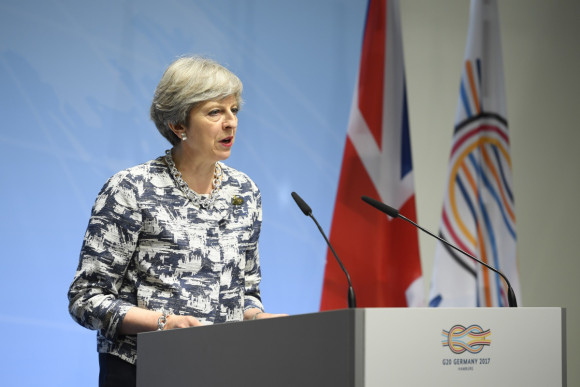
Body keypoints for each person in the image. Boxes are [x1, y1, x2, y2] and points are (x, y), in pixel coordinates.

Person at [68, 56, 284, 387]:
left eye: (234, 110)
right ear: (178, 125)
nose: (231, 123)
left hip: (223, 369)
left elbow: (246, 292)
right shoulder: (132, 189)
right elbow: (86, 299)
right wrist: (163, 324)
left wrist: (259, 318)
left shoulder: (245, 192)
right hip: (143, 370)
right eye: (215, 112)